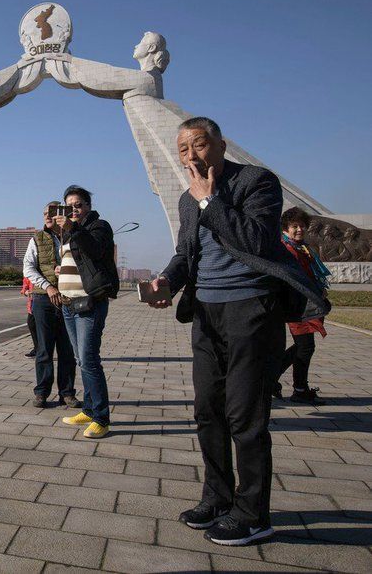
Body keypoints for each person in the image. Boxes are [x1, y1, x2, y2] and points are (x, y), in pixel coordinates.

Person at [148, 117, 329, 547]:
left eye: (199, 145)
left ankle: (253, 514)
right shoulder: (188, 199)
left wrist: (212, 203)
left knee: (245, 417)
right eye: (183, 150)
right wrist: (166, 283)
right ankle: (217, 497)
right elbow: (185, 254)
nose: (191, 156)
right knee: (208, 410)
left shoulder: (257, 183)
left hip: (252, 309)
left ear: (222, 145)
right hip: (207, 314)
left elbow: (256, 241)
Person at [53, 186, 119, 438]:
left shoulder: (99, 227)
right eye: (70, 206)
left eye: (79, 205)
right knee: (81, 360)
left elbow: (95, 250)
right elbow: (77, 261)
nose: (74, 210)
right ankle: (90, 410)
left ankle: (101, 418)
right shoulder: (68, 233)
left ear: (88, 206)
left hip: (89, 302)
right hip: (69, 304)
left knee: (90, 360)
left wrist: (73, 229)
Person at [22, 201, 78, 408]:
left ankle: (67, 393)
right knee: (44, 350)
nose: (47, 216)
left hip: (69, 298)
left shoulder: (73, 235)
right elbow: (28, 268)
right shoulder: (36, 239)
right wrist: (48, 287)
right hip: (43, 299)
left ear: (61, 214)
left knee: (67, 350)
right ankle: (42, 392)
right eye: (45, 212)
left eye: (52, 213)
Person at [273, 207, 331, 405]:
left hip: (306, 304)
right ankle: (298, 389)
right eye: (294, 226)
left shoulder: (302, 247)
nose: (299, 229)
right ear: (286, 228)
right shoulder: (286, 249)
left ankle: (272, 379)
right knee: (305, 347)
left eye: (302, 226)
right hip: (298, 306)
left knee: (303, 347)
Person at [20, 276, 39, 357]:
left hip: (45, 301)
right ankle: (37, 348)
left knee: (44, 328)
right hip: (32, 304)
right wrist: (25, 291)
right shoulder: (29, 273)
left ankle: (42, 350)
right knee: (31, 325)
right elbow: (25, 286)